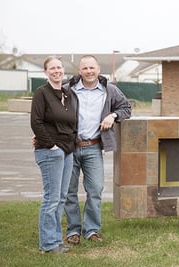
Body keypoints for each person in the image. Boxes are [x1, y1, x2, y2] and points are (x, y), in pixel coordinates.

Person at [64, 55, 131, 244]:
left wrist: (113, 115)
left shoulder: (109, 90)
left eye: (92, 68)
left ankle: (91, 230)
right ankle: (73, 231)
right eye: (85, 68)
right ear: (80, 71)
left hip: (93, 148)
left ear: (98, 69)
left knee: (95, 190)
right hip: (69, 148)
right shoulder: (67, 90)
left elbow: (126, 108)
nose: (89, 71)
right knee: (69, 192)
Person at [31, 56, 77, 254]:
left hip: (67, 152)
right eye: (52, 68)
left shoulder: (67, 93)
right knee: (51, 198)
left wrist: (69, 146)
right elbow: (36, 122)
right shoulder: (42, 93)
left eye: (59, 67)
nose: (57, 71)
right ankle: (47, 245)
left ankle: (56, 241)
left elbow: (71, 122)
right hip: (50, 152)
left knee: (61, 198)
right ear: (46, 72)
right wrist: (51, 146)